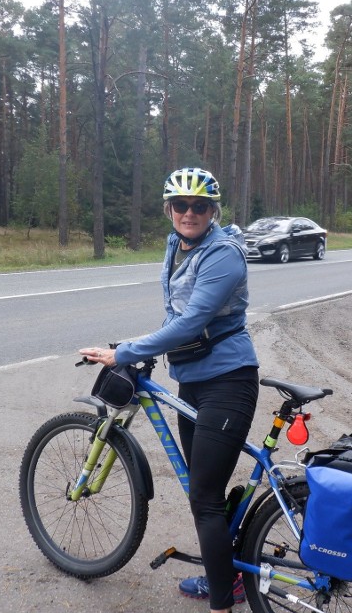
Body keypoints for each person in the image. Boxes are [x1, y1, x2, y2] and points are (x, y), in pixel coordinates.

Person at [80, 167, 258, 613]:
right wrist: (138, 347)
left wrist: (124, 351)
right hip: (194, 383)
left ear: (213, 210)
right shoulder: (178, 246)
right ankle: (229, 571)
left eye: (200, 206)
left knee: (204, 498)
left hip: (227, 385)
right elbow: (176, 313)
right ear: (169, 210)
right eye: (181, 205)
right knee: (206, 493)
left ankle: (222, 602)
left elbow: (193, 321)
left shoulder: (223, 254)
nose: (190, 213)